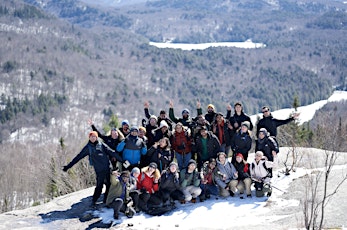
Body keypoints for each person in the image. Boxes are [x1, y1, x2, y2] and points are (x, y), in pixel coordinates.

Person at [62, 131, 123, 207]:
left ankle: (106, 200)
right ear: (89, 138)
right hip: (99, 170)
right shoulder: (88, 148)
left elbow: (112, 152)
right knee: (99, 186)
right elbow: (78, 157)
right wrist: (68, 166)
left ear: (97, 137)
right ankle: (94, 201)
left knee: (109, 185)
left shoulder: (101, 145)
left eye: (94, 136)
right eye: (91, 137)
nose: (93, 138)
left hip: (108, 168)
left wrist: (122, 160)